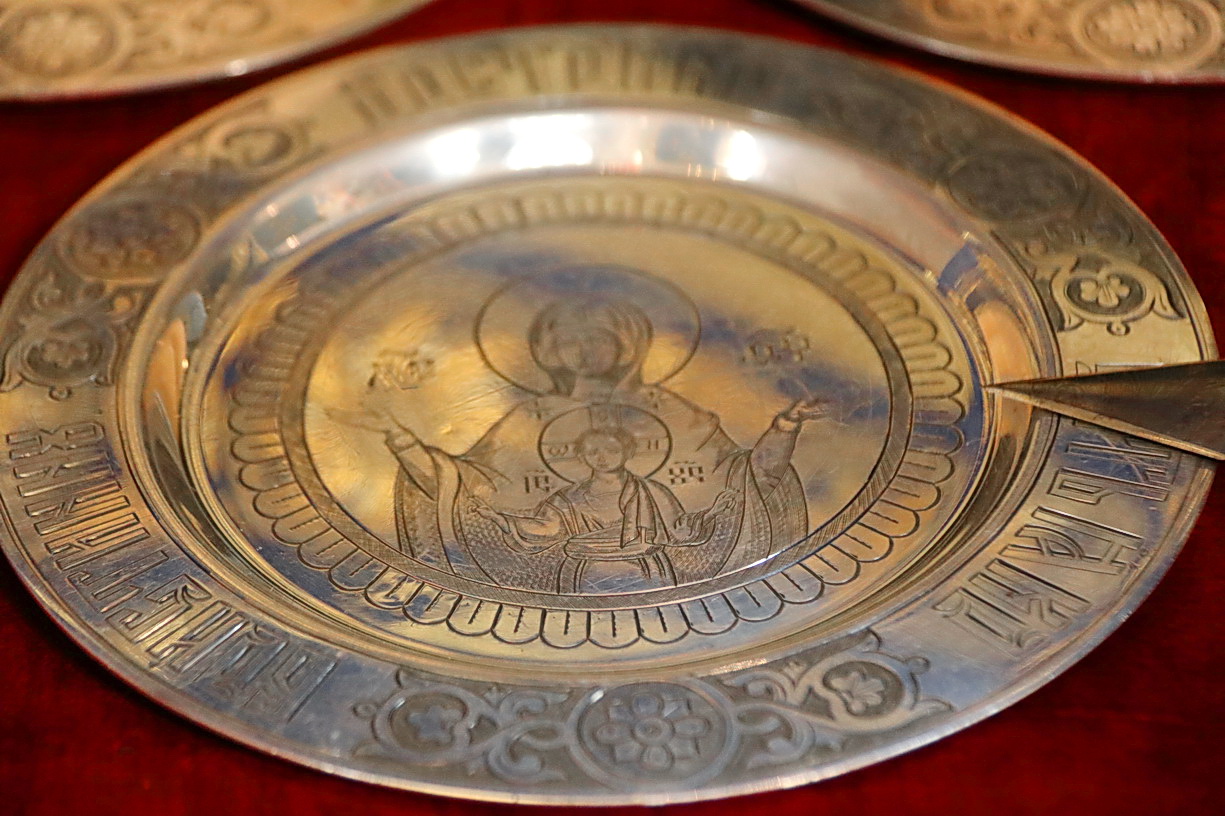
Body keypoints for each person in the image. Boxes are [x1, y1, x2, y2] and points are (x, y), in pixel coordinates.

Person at [332, 290, 825, 594]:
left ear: (625, 346)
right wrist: (400, 439)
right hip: (565, 571)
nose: (582, 352)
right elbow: (464, 482)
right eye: (569, 341)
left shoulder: (672, 409)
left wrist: (784, 428)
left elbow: (743, 475)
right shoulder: (533, 414)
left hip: (666, 572)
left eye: (595, 339)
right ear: (550, 351)